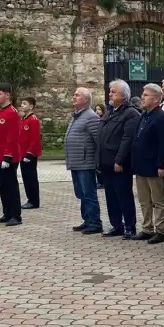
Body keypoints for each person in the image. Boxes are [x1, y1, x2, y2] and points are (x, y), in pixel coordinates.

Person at [132, 83, 164, 243]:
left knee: (158, 200)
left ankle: (160, 230)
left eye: (146, 95)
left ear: (156, 99)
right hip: (141, 166)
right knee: (144, 200)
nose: (142, 97)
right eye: (143, 94)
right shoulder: (144, 115)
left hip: (154, 166)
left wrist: (161, 165)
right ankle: (147, 228)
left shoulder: (161, 118)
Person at [99, 80, 141, 238]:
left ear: (124, 95)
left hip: (119, 163)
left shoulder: (130, 113)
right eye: (110, 91)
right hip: (106, 161)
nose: (110, 94)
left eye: (113, 92)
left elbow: (127, 139)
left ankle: (130, 226)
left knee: (124, 195)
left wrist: (119, 160)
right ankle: (117, 225)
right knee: (110, 195)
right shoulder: (110, 111)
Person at [65, 87, 102, 234]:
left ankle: (95, 222)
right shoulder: (77, 116)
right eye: (74, 94)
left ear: (86, 100)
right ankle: (87, 220)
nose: (73, 97)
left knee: (88, 193)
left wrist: (95, 161)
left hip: (85, 162)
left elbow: (97, 140)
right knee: (81, 193)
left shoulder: (91, 117)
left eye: (77, 95)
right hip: (76, 161)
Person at [0, 84, 22, 226]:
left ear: (7, 95)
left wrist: (8, 156)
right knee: (2, 185)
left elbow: (13, 136)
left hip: (8, 156)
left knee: (11, 186)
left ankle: (15, 215)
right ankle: (7, 213)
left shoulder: (12, 112)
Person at [18, 97, 42, 209]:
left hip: (29, 154)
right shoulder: (23, 119)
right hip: (22, 153)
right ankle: (30, 199)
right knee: (25, 177)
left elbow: (35, 139)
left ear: (31, 106)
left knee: (31, 177)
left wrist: (30, 153)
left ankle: (34, 200)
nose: (22, 105)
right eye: (21, 104)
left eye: (24, 104)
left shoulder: (33, 120)